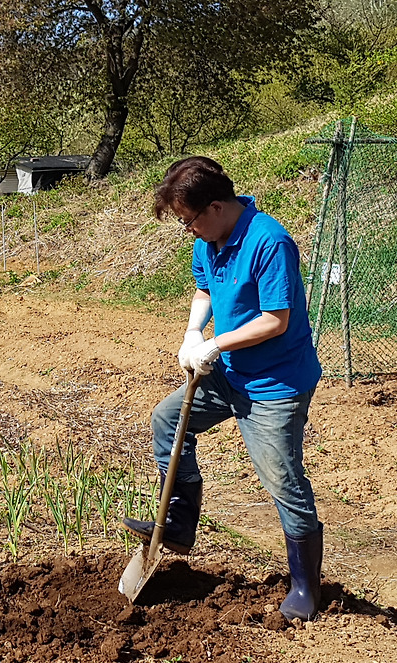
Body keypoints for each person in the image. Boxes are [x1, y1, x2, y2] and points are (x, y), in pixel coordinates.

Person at [123, 156, 325, 621]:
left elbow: (275, 320)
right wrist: (194, 331)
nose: (188, 231)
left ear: (216, 206)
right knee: (167, 420)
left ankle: (304, 586)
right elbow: (205, 290)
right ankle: (179, 521)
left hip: (275, 383)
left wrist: (216, 343)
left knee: (282, 478)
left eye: (189, 220)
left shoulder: (269, 242)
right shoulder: (207, 239)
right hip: (229, 373)